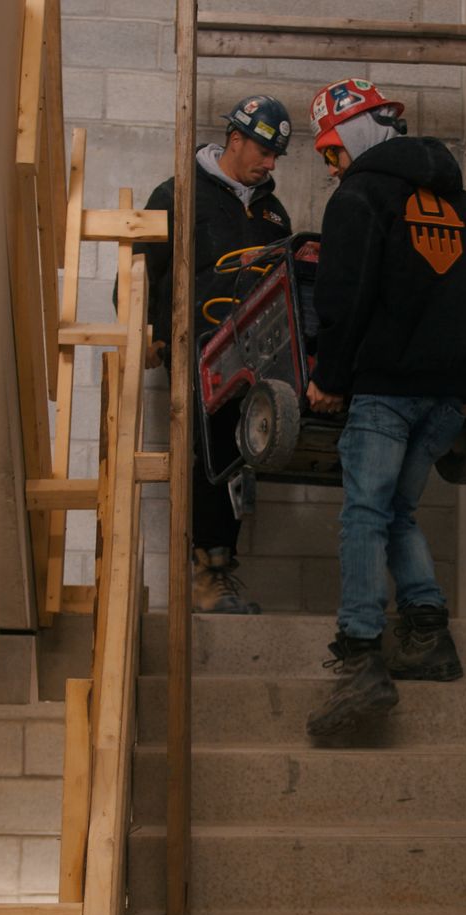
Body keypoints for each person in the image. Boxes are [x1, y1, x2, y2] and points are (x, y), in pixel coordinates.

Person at [299, 79, 466, 737]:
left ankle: (360, 657)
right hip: (448, 394)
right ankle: (427, 635)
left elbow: (344, 297)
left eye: (331, 149)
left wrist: (330, 377)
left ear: (355, 134)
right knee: (398, 510)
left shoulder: (360, 196)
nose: (331, 166)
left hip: (386, 388)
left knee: (363, 512)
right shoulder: (461, 201)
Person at [141, 95, 295, 613]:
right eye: (265, 151)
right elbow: (143, 266)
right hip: (196, 350)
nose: (271, 164)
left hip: (253, 359)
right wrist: (148, 328)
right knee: (205, 450)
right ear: (235, 140)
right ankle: (207, 571)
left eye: (277, 156)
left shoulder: (274, 214)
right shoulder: (178, 193)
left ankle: (219, 567)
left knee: (238, 455)